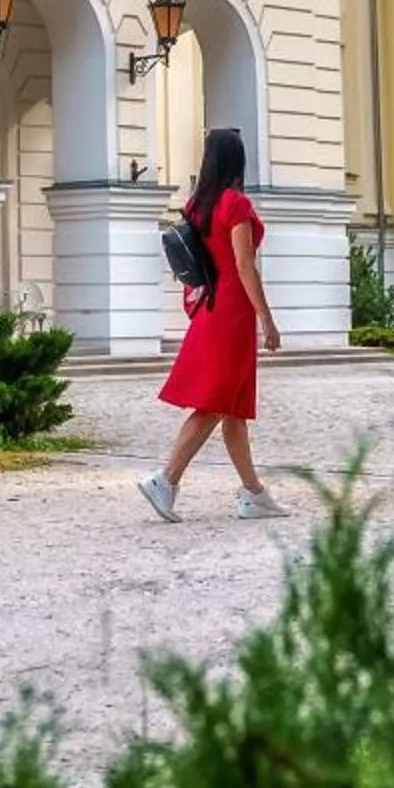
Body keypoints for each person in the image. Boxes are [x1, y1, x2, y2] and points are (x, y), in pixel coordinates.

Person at [140, 127, 284, 522]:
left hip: (210, 307)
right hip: (232, 312)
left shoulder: (197, 205)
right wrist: (266, 319)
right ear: (237, 159)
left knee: (232, 407)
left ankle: (254, 494)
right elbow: (243, 265)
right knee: (214, 404)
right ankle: (165, 480)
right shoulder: (234, 204)